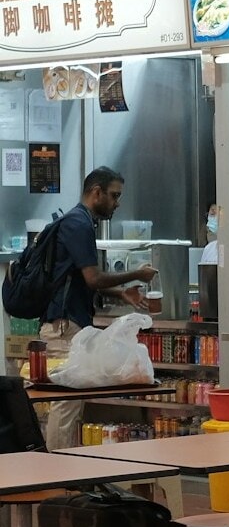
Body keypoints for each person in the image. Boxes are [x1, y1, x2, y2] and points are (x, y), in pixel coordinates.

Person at [41, 167, 157, 451]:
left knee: (70, 406)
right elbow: (93, 277)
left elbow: (84, 281)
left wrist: (120, 294)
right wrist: (135, 274)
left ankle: (65, 475)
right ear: (96, 192)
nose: (117, 203)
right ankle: (59, 478)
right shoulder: (78, 224)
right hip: (65, 328)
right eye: (114, 196)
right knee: (65, 407)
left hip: (68, 326)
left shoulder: (79, 222)